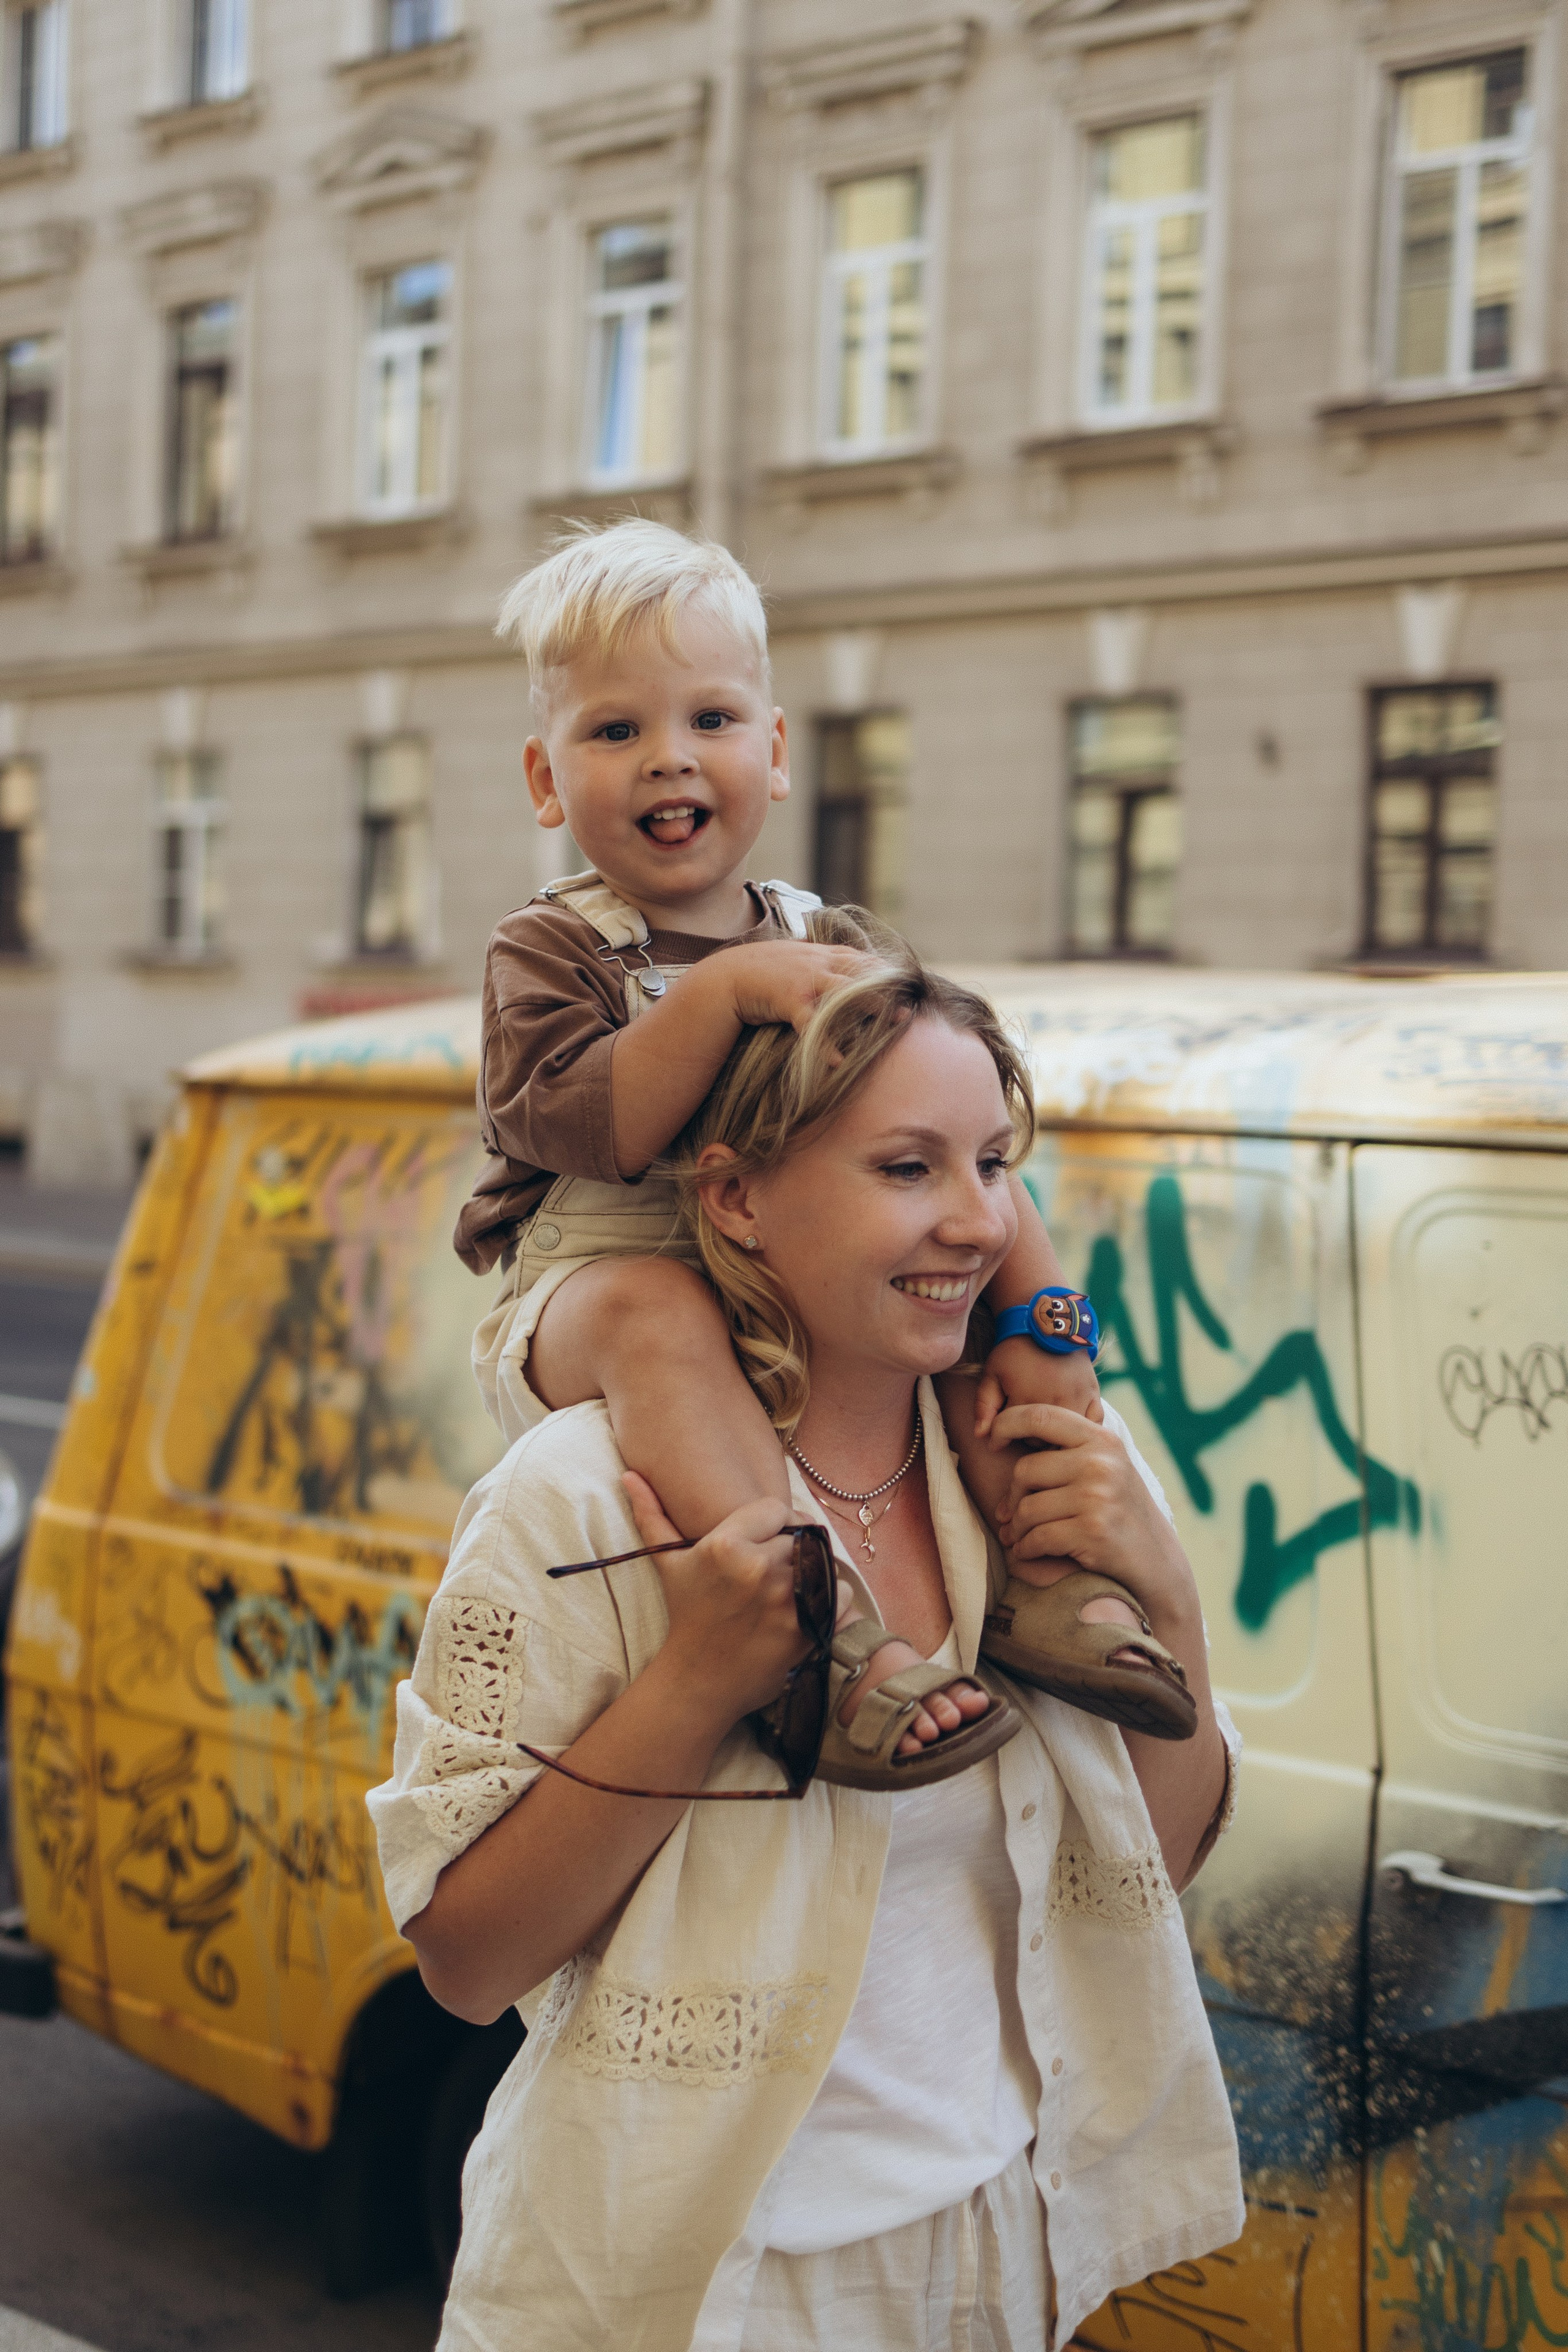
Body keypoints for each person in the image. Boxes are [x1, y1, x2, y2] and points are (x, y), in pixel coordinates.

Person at [369, 937, 1243, 2351]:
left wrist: (1172, 1610)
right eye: (906, 1170)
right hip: (692, 2282)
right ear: (737, 1197)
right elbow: (466, 1963)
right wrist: (697, 1682)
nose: (973, 1222)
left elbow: (1163, 1861)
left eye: (992, 1165)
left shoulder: (1034, 1473)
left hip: (991, 2242)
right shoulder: (583, 1498)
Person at [451, 519, 1196, 1763]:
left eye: (710, 721)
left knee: (974, 1209)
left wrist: (1029, 1312)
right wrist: (719, 997)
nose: (666, 760)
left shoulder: (823, 930)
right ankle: (831, 1641)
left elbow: (936, 1114)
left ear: (775, 750)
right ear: (544, 778)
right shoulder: (551, 947)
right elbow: (573, 1122)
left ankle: (1046, 1571)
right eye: (615, 730)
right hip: (588, 1291)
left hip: (775, 1269)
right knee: (656, 1310)